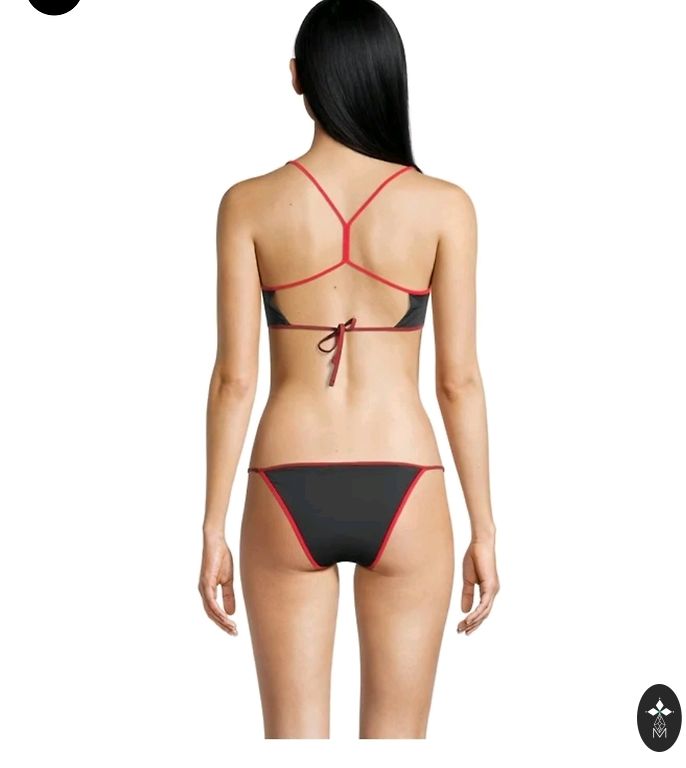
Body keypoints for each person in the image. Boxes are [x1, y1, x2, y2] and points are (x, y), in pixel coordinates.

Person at [199, 0, 499, 739]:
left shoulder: (247, 205)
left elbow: (235, 380)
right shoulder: (445, 207)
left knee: (292, 746)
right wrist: (485, 529)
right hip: (406, 483)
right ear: (386, 78)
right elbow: (457, 381)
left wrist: (211, 526)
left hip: (285, 482)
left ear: (297, 77)